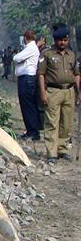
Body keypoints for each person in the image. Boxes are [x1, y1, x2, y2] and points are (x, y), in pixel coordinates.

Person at [38, 24, 80, 162]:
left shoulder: (72, 55)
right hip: (53, 91)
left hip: (69, 91)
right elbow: (41, 75)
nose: (63, 43)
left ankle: (62, 149)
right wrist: (43, 93)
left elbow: (77, 74)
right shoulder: (47, 54)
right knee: (52, 122)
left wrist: (78, 91)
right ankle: (52, 152)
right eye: (60, 40)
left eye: (65, 40)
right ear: (55, 40)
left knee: (66, 123)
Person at [13, 30, 41, 140]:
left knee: (28, 106)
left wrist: (17, 57)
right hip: (26, 79)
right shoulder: (30, 48)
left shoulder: (31, 48)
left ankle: (33, 132)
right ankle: (30, 130)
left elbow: (16, 58)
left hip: (27, 79)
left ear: (25, 37)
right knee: (27, 106)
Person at [35, 35, 47, 130]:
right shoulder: (39, 51)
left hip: (43, 81)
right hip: (39, 80)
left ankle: (41, 124)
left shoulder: (45, 52)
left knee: (41, 105)